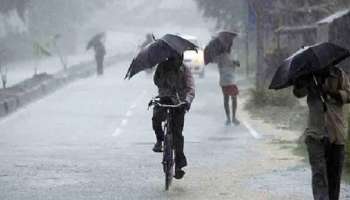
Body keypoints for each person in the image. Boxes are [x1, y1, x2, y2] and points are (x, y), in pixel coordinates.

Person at [293, 66, 350, 200]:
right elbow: (298, 93)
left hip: (337, 133)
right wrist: (301, 81)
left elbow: (349, 94)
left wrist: (331, 92)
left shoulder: (339, 73)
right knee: (319, 175)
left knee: (334, 178)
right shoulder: (308, 75)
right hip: (315, 134)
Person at [152, 54, 195, 179]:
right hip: (164, 99)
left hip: (180, 102)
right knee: (156, 119)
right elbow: (156, 81)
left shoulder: (185, 70)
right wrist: (163, 75)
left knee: (177, 134)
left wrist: (187, 100)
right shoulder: (162, 66)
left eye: (178, 58)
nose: (175, 60)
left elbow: (191, 88)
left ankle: (179, 166)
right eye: (173, 58)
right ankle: (160, 140)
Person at [214, 48, 240, 126]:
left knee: (233, 98)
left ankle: (233, 118)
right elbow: (218, 64)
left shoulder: (233, 54)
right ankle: (229, 118)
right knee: (227, 99)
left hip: (231, 80)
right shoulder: (220, 56)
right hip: (224, 80)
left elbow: (238, 64)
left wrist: (235, 62)